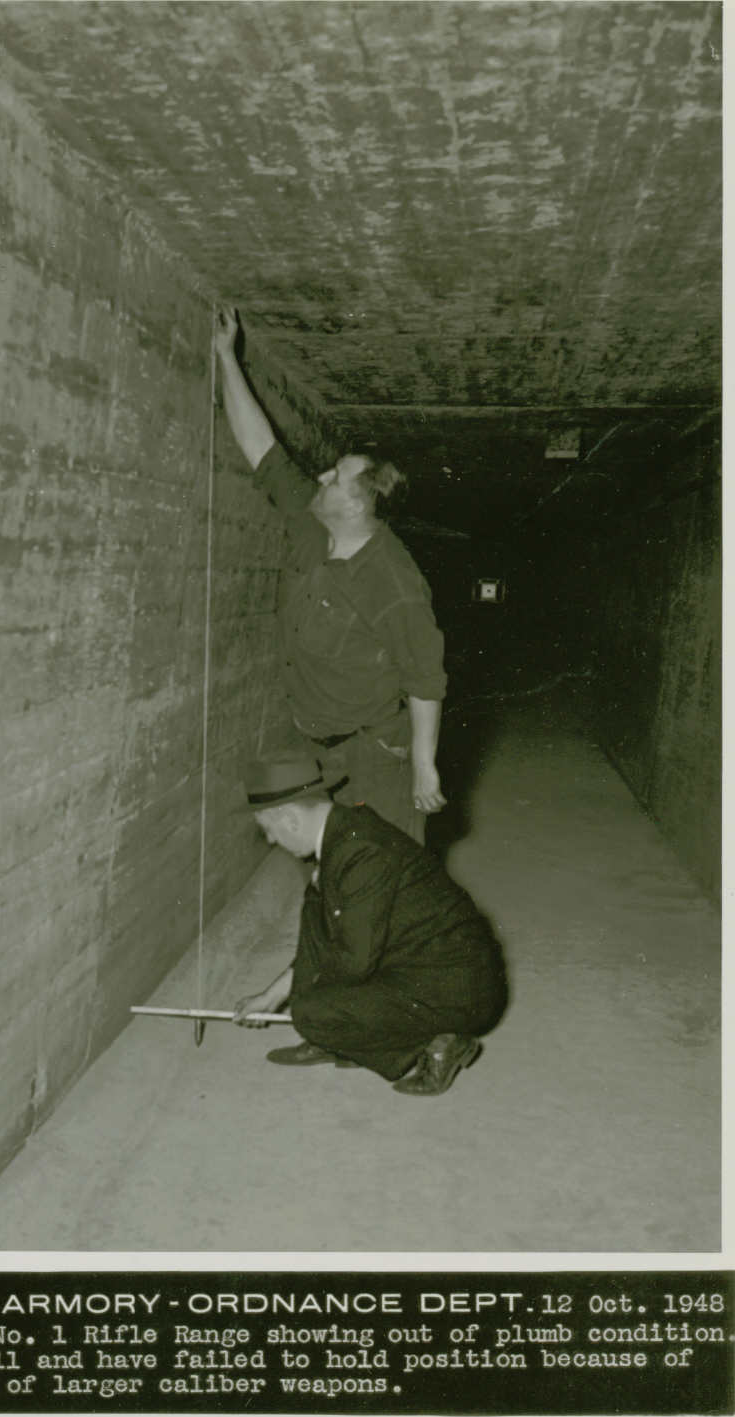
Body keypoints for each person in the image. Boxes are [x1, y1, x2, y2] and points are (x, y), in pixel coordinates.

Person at [213, 306, 446, 843]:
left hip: (375, 754)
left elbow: (425, 679)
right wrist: (227, 355)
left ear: (360, 505)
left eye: (335, 477)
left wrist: (424, 765)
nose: (320, 475)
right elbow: (261, 450)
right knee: (327, 871)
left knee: (382, 878)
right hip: (314, 747)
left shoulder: (394, 583)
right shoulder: (311, 524)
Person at [232, 754, 506, 1095]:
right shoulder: (344, 831)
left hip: (458, 990)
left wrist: (311, 1007)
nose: (271, 840)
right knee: (316, 907)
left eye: (268, 830)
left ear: (288, 818)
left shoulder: (361, 853)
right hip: (420, 963)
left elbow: (353, 960)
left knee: (312, 1011)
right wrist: (271, 996)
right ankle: (339, 1037)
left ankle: (442, 1042)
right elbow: (327, 936)